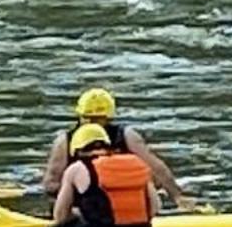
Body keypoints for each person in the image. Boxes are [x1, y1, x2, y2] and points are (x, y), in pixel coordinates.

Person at [40, 88, 191, 207]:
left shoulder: (127, 136)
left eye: (99, 119)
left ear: (108, 118)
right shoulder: (65, 141)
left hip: (123, 199)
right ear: (80, 116)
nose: (94, 123)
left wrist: (177, 196)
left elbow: (156, 168)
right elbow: (51, 184)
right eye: (89, 118)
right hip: (83, 204)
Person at [47, 123, 159, 227]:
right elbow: (154, 208)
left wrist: (78, 215)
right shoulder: (137, 163)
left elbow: (60, 216)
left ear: (77, 151)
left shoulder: (76, 168)